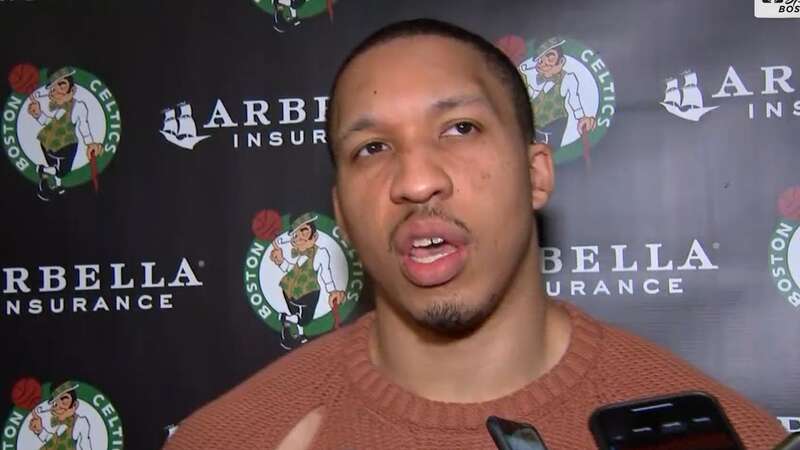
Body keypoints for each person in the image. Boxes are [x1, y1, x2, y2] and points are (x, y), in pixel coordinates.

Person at [163, 19, 787, 449]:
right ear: (342, 213)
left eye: (460, 128)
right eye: (372, 147)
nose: (415, 179)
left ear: (537, 173)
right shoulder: (231, 438)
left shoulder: (728, 436)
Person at [27, 67, 104, 201]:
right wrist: (38, 114)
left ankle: (56, 184)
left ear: (72, 90)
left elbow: (84, 126)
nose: (56, 92)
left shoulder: (78, 106)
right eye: (53, 89)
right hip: (55, 144)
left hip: (56, 143)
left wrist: (90, 142)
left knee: (58, 168)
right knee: (63, 170)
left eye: (61, 86)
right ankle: (43, 170)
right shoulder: (57, 108)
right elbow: (51, 124)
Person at [270, 213, 345, 350]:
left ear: (314, 236)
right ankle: (286, 318)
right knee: (305, 319)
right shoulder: (300, 255)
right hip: (299, 291)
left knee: (300, 316)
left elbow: (326, 273)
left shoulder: (320, 252)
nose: (299, 238)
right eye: (296, 236)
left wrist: (332, 290)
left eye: (304, 232)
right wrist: (280, 260)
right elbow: (290, 269)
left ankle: (299, 333)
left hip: (293, 290)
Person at [520, 37, 596, 147]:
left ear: (561, 61)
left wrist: (582, 118)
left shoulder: (568, 79)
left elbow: (574, 100)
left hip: (553, 127)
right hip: (532, 129)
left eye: (550, 58)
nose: (544, 63)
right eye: (540, 60)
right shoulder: (528, 75)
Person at [28, 381, 93, 450]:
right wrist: (40, 430)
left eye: (64, 401)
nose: (59, 407)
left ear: (75, 405)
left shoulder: (80, 422)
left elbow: (86, 445)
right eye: (55, 404)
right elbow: (53, 442)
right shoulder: (59, 422)